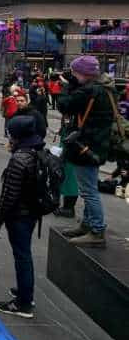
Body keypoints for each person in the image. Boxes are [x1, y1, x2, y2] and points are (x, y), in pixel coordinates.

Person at [58, 55, 116, 248]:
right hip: (98, 145)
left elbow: (64, 105)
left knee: (89, 191)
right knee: (88, 187)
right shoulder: (106, 88)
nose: (73, 75)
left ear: (84, 73)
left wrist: (67, 86)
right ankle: (87, 224)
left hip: (86, 146)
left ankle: (97, 230)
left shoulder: (89, 91)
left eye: (75, 72)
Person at [0, 115, 46, 319]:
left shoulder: (19, 159)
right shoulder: (37, 150)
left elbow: (9, 196)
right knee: (24, 254)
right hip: (32, 212)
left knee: (22, 256)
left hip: (19, 215)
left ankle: (23, 303)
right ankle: (25, 290)